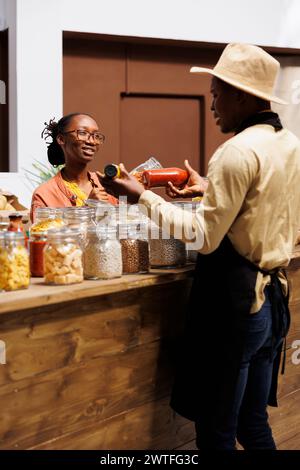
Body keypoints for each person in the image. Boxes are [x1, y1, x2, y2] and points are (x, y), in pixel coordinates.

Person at [99, 43, 300, 450]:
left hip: (239, 307)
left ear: (240, 94)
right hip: (274, 305)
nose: (213, 105)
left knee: (217, 432)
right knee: (254, 424)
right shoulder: (290, 143)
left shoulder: (236, 151)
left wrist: (141, 196)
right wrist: (211, 192)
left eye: (216, 93)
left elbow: (202, 238)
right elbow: (265, 204)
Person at [30, 113, 117, 221]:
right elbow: (44, 235)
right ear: (61, 139)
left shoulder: (108, 186)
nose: (91, 141)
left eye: (96, 136)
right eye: (82, 133)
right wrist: (87, 209)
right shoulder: (44, 195)